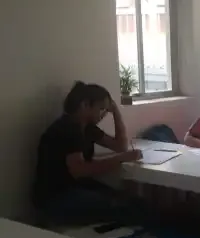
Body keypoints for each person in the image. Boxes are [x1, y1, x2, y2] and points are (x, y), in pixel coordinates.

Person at [34, 81, 143, 224]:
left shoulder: (87, 128)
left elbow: (120, 146)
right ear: (85, 105)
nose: (104, 114)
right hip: (56, 197)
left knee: (127, 199)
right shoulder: (68, 128)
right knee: (124, 206)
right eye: (101, 108)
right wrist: (120, 159)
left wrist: (116, 111)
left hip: (74, 188)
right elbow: (80, 170)